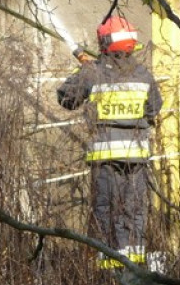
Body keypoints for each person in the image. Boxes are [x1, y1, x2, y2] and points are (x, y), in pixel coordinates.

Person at [57, 16, 163, 268]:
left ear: (104, 42)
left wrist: (80, 73)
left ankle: (110, 268)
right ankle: (134, 266)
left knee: (105, 209)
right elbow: (153, 108)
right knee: (135, 209)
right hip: (135, 157)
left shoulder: (92, 73)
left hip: (104, 158)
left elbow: (66, 100)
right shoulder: (143, 75)